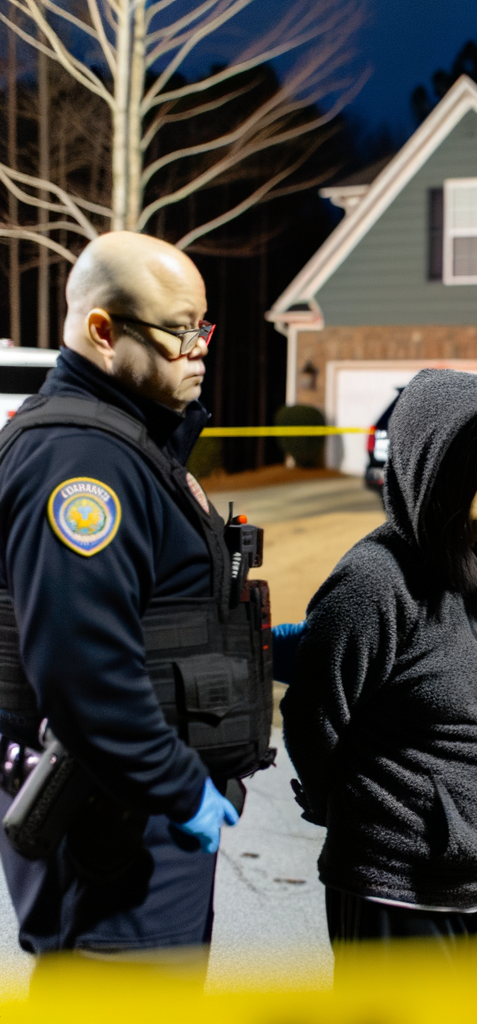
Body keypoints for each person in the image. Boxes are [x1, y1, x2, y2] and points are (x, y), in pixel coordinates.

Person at [0, 232, 273, 961]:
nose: (200, 350)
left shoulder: (130, 444)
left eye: (203, 328)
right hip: (110, 841)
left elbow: (160, 622)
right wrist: (182, 790)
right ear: (102, 331)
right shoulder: (81, 464)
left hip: (133, 828)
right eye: (180, 332)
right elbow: (83, 671)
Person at [281, 369, 477, 970]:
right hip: (398, 889)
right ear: (429, 470)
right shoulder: (374, 582)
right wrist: (356, 813)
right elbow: (312, 712)